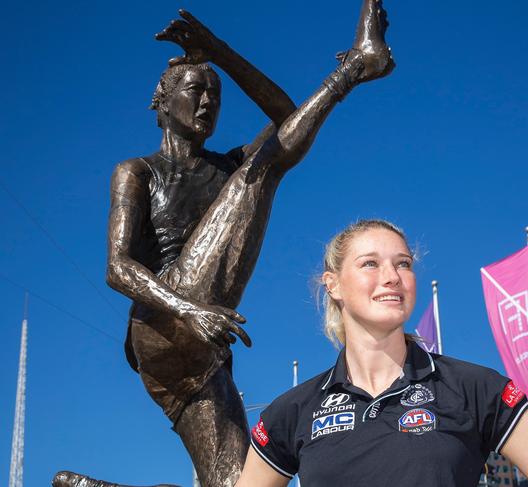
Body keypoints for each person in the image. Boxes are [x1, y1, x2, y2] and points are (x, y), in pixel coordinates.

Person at [53, 2, 395, 487]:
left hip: (203, 357)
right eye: (197, 90)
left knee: (238, 484)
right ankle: (358, 65)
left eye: (216, 94)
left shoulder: (226, 165)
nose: (209, 102)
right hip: (163, 323)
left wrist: (218, 53)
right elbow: (117, 267)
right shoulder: (138, 172)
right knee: (261, 169)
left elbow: (287, 117)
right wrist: (188, 310)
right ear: (163, 101)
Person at [237, 220, 528, 486]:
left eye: (403, 263)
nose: (393, 276)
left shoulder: (475, 387)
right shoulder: (293, 410)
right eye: (370, 263)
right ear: (333, 285)